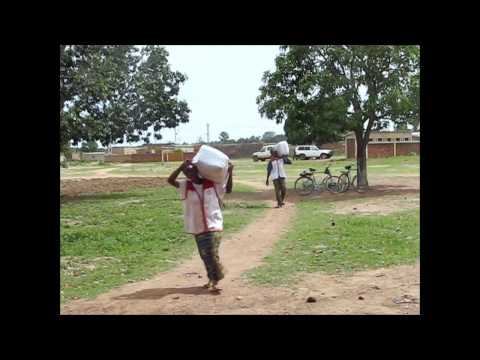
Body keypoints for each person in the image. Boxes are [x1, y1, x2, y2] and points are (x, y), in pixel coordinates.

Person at [168, 159, 233, 292]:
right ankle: (212, 278)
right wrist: (181, 167)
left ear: (197, 170)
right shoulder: (186, 186)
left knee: (210, 253)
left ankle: (216, 279)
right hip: (197, 227)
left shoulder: (212, 184)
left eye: (191, 170)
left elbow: (229, 189)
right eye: (186, 172)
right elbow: (170, 180)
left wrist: (230, 173)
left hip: (213, 224)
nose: (188, 174)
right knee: (205, 255)